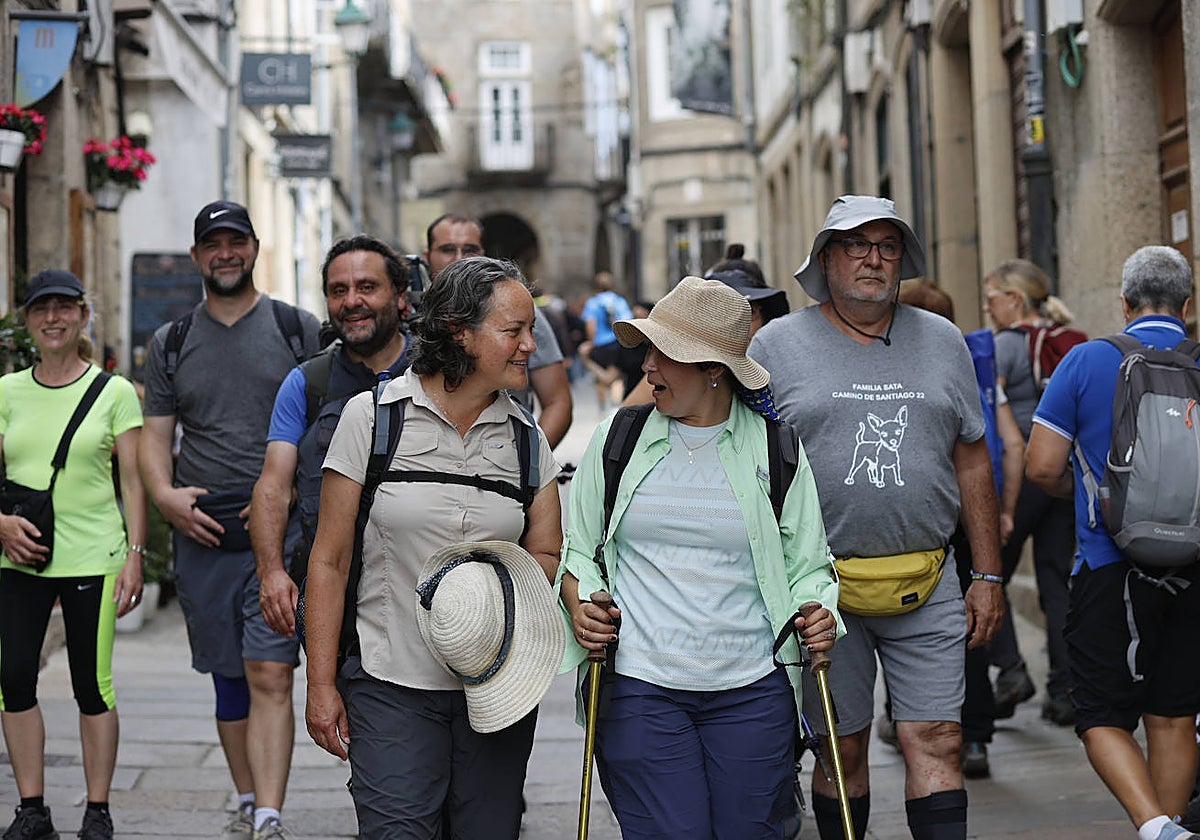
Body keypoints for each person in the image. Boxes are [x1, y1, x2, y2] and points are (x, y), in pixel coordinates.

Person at [748, 195, 1004, 840]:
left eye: (888, 246)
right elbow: (749, 463)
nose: (873, 259)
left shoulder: (943, 340)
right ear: (826, 260)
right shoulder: (776, 345)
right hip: (819, 588)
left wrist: (989, 576)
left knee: (940, 739)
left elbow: (973, 459)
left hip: (930, 575)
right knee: (843, 749)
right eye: (857, 245)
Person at [560, 276, 841, 839]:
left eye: (665, 356)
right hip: (641, 685)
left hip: (754, 689)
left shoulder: (776, 448)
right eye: (649, 353)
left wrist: (818, 610)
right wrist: (579, 599)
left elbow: (809, 563)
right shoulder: (618, 438)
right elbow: (580, 551)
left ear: (713, 368)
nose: (648, 369)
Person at [303, 256, 564, 839]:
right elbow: (328, 560)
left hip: (498, 690)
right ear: (458, 330)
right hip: (390, 684)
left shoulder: (526, 440)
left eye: (530, 329)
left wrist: (494, 598)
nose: (530, 345)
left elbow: (547, 552)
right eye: (513, 331)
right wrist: (320, 684)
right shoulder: (372, 419)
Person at [138, 201, 321, 840]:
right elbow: (155, 437)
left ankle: (269, 812)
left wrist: (288, 492)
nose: (224, 254)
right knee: (227, 675)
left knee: (270, 668)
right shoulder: (172, 342)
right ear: (197, 257)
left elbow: (327, 430)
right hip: (204, 532)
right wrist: (163, 496)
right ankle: (247, 794)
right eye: (212, 244)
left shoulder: (299, 331)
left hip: (282, 534)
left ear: (253, 248)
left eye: (235, 241)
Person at [1025, 245, 1200, 840]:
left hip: (1107, 565)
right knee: (1175, 715)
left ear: (1123, 303)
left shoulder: (1085, 361)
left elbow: (1042, 467)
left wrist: (1086, 497)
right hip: (1194, 569)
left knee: (1099, 713)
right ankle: (1171, 824)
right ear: (1188, 304)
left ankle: (1153, 827)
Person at [0, 270, 147, 840]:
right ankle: (32, 810)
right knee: (13, 678)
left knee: (92, 684)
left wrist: (135, 554)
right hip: (22, 554)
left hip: (95, 556)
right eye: (42, 309)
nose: (53, 318)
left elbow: (132, 482)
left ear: (83, 316)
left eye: (65, 308)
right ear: (28, 320)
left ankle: (98, 811)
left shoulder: (112, 391)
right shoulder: (7, 390)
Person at [894, 278, 1025, 780]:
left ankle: (909, 721)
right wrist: (1002, 510)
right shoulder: (972, 363)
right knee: (969, 633)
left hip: (929, 524)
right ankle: (974, 736)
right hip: (971, 517)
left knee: (920, 632)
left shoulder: (904, 367)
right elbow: (1008, 446)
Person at [250, 235, 411, 641]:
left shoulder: (438, 373)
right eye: (339, 291)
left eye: (367, 287)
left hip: (424, 594)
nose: (352, 301)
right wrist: (271, 572)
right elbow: (273, 485)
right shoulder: (306, 384)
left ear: (401, 297)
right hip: (337, 599)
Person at [983, 259, 1078, 726]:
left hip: (1022, 476)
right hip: (1062, 475)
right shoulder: (1065, 338)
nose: (987, 307)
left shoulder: (1004, 346)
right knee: (1057, 580)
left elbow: (991, 415)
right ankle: (1065, 690)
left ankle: (1013, 672)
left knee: (989, 574)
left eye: (993, 298)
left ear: (1014, 300)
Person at [424, 212, 572, 447]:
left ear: (483, 253)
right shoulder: (411, 314)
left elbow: (558, 401)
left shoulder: (520, 311)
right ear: (427, 256)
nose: (459, 258)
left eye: (470, 249)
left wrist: (527, 462)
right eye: (448, 249)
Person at [623, 244, 789, 405]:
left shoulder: (786, 366)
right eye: (717, 315)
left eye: (748, 313)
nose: (733, 328)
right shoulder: (667, 378)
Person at [580, 271, 635, 408]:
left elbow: (590, 325)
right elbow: (627, 320)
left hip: (600, 344)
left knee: (601, 378)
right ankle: (615, 406)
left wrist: (591, 342)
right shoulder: (619, 301)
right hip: (617, 343)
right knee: (617, 377)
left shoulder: (593, 303)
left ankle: (602, 407)